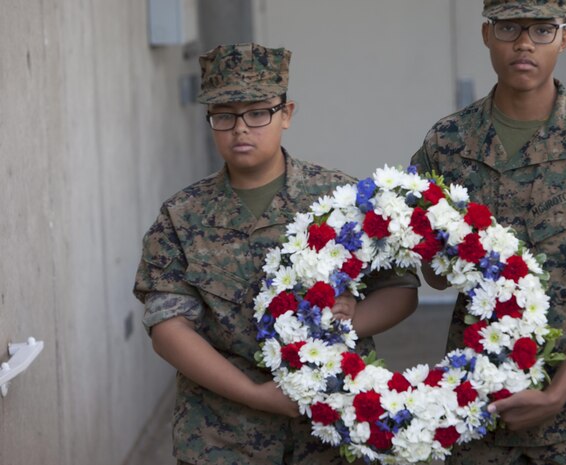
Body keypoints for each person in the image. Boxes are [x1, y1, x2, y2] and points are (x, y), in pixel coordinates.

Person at [134, 43, 419, 465]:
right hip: (221, 436)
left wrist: (346, 321)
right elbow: (167, 327)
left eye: (257, 112)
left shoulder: (341, 200)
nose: (240, 129)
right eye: (224, 115)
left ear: (286, 114)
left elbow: (400, 290)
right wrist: (254, 394)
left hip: (330, 431)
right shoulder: (182, 215)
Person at [410, 1, 566, 463]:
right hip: (477, 398)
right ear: (486, 35)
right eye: (509, 28)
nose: (523, 44)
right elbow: (433, 275)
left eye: (541, 30)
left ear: (564, 39)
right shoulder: (448, 141)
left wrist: (557, 393)